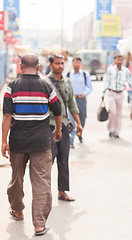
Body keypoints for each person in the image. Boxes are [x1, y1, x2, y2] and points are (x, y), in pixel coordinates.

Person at [1, 53, 62, 236]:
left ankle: (18, 210)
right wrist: (58, 129)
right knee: (41, 182)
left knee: (17, 177)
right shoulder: (46, 86)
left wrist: (3, 141)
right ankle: (39, 225)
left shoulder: (12, 87)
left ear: (20, 66)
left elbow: (6, 116)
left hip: (18, 141)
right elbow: (58, 110)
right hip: (41, 142)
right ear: (38, 67)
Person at [45, 54, 83, 202]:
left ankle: (62, 191)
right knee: (49, 159)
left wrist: (78, 123)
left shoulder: (67, 82)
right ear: (50, 65)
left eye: (62, 63)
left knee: (63, 159)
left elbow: (72, 104)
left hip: (65, 126)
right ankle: (45, 192)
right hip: (50, 126)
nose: (60, 66)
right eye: (57, 64)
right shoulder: (45, 82)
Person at [102, 55, 132, 138]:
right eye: (118, 60)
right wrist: (103, 93)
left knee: (118, 114)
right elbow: (107, 81)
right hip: (111, 93)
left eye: (121, 60)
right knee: (112, 112)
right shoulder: (110, 70)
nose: (119, 61)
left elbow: (130, 81)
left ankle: (117, 132)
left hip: (120, 93)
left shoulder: (126, 71)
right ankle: (110, 129)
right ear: (115, 60)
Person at [67, 57, 92, 148]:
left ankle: (80, 133)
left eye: (78, 62)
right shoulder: (68, 75)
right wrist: (70, 94)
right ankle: (71, 141)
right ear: (72, 63)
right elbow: (66, 87)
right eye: (75, 62)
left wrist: (84, 93)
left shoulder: (85, 75)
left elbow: (89, 88)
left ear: (81, 64)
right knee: (72, 120)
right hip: (72, 100)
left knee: (82, 118)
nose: (77, 64)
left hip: (82, 99)